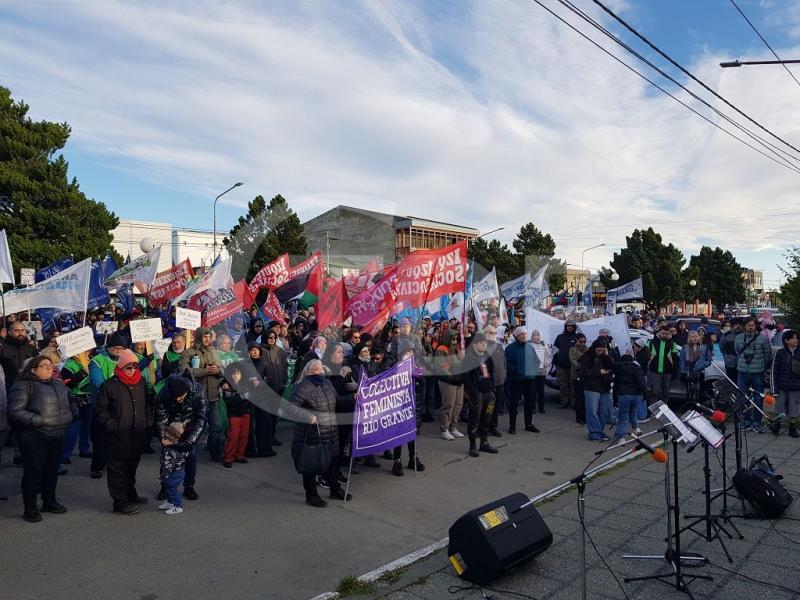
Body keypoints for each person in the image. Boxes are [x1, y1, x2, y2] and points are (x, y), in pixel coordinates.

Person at [8, 355, 77, 522]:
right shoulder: (23, 386)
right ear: (33, 369)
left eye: (50, 365)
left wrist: (72, 413)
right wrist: (38, 420)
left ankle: (49, 501)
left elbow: (71, 398)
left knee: (51, 471)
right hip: (34, 437)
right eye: (44, 365)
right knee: (33, 473)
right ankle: (30, 508)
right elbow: (15, 411)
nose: (49, 368)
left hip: (57, 435)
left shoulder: (58, 384)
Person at [284, 360, 351, 507]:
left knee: (332, 462)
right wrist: (307, 417)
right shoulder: (303, 387)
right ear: (308, 372)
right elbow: (289, 408)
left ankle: (335, 489)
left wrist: (353, 398)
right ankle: (311, 495)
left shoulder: (327, 384)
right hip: (311, 435)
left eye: (321, 369)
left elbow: (338, 401)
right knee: (311, 465)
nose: (319, 372)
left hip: (331, 431)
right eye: (315, 370)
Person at [94, 349, 152, 515]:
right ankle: (119, 502)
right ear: (121, 367)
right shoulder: (109, 385)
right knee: (117, 471)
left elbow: (147, 404)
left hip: (137, 434)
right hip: (117, 436)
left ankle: (130, 494)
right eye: (128, 367)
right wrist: (113, 426)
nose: (132, 370)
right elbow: (100, 410)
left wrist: (148, 421)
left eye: (135, 366)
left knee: (131, 468)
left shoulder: (140, 382)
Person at [156, 373, 208, 514]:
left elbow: (201, 419)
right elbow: (161, 418)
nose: (178, 399)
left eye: (181, 396)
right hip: (172, 429)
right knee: (167, 458)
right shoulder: (164, 393)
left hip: (190, 428)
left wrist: (191, 440)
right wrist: (163, 438)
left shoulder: (199, 391)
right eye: (175, 397)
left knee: (190, 457)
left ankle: (189, 486)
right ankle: (166, 487)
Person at [88, 333, 128, 479]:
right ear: (109, 347)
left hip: (120, 405)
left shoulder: (125, 360)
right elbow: (97, 381)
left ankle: (115, 464)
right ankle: (97, 466)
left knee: (118, 437)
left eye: (121, 348)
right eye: (115, 348)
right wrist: (117, 389)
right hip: (102, 405)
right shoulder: (97, 361)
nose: (118, 351)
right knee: (101, 438)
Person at [181, 327, 224, 460]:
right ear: (199, 336)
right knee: (194, 427)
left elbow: (222, 369)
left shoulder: (214, 352)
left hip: (213, 396)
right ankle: (188, 454)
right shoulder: (188, 353)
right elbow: (184, 371)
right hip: (197, 397)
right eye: (205, 336)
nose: (207, 339)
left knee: (216, 426)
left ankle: (215, 453)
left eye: (209, 337)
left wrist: (218, 371)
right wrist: (204, 371)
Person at [462, 333, 498, 457]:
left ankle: (484, 442)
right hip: (477, 394)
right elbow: (466, 378)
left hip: (489, 393)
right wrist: (474, 391)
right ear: (475, 344)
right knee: (474, 420)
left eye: (485, 343)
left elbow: (492, 373)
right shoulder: (469, 358)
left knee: (486, 418)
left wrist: (492, 388)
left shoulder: (487, 356)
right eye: (481, 343)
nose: (484, 345)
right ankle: (473, 446)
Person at [736, 316, 773, 433]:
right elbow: (737, 351)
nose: (750, 327)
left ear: (755, 325)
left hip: (757, 373)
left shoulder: (763, 339)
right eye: (748, 325)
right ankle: (746, 421)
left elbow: (768, 356)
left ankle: (757, 423)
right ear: (744, 327)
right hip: (742, 372)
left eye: (752, 325)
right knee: (743, 397)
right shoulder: (739, 338)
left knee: (758, 398)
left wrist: (761, 366)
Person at [504, 327, 539, 435]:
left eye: (525, 334)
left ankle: (528, 424)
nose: (524, 336)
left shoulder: (530, 347)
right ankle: (512, 426)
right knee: (514, 404)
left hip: (529, 380)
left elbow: (536, 361)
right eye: (521, 334)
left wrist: (533, 371)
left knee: (529, 403)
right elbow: (506, 363)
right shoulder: (510, 348)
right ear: (517, 336)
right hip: (516, 380)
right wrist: (515, 371)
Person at [579, 339, 614, 442]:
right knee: (592, 411)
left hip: (604, 386)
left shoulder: (605, 356)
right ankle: (594, 433)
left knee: (604, 412)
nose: (600, 352)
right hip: (591, 387)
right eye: (598, 350)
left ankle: (599, 431)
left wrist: (607, 356)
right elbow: (583, 372)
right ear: (594, 348)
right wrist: (598, 372)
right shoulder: (587, 356)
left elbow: (613, 366)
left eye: (602, 350)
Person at [434, 327, 465, 440]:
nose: (455, 340)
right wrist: (452, 378)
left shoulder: (457, 348)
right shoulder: (442, 349)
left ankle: (453, 427)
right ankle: (444, 429)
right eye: (453, 338)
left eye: (456, 338)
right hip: (447, 381)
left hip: (458, 380)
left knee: (458, 404)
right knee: (448, 405)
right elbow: (440, 367)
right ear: (448, 338)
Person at [770, 330, 800, 437]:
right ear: (786, 340)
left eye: (796, 338)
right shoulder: (780, 353)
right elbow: (774, 371)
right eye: (793, 338)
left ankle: (792, 428)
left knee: (794, 409)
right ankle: (777, 425)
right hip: (782, 386)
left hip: (796, 387)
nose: (795, 340)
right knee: (779, 409)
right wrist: (774, 389)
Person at [222, 362, 252, 467]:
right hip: (234, 415)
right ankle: (228, 457)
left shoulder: (246, 384)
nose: (236, 376)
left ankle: (239, 455)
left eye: (238, 374)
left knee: (244, 435)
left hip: (245, 413)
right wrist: (241, 397)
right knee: (233, 436)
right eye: (233, 374)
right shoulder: (226, 386)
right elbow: (230, 401)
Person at [261, 330, 288, 446]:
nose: (272, 339)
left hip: (278, 387)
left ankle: (272, 436)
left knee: (274, 415)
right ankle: (265, 438)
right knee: (265, 416)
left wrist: (284, 382)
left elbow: (284, 367)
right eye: (269, 337)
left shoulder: (280, 351)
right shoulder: (260, 351)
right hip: (266, 389)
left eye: (274, 337)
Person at [612, 354, 647, 440]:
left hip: (624, 394)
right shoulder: (636, 368)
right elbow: (642, 383)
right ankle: (636, 428)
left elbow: (615, 383)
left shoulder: (618, 369)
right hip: (636, 395)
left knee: (623, 417)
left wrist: (615, 397)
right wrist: (643, 392)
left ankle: (621, 438)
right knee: (633, 412)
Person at [0, 321, 39, 391]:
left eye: (22, 330)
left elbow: (37, 364)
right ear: (9, 332)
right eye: (16, 330)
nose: (20, 333)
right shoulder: (2, 347)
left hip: (28, 385)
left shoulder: (31, 348)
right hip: (8, 386)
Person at [646, 326, 679, 406]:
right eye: (663, 333)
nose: (665, 335)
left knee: (666, 393)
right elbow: (645, 356)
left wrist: (674, 371)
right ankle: (652, 412)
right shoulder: (651, 342)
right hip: (654, 371)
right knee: (654, 392)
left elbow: (675, 359)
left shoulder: (672, 344)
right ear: (659, 333)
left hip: (667, 373)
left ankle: (664, 412)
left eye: (667, 334)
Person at [485, 326, 506, 438]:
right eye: (491, 332)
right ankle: (485, 427)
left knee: (497, 406)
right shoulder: (483, 346)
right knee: (488, 407)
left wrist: (505, 375)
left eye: (494, 332)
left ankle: (493, 427)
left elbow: (504, 362)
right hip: (488, 383)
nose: (493, 334)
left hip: (500, 382)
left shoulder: (498, 346)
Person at [679, 331, 712, 403]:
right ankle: (690, 407)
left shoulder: (704, 347)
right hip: (688, 372)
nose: (695, 338)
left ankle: (698, 407)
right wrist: (683, 372)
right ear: (689, 338)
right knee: (689, 392)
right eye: (692, 337)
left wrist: (702, 365)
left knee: (699, 392)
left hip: (699, 372)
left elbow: (709, 360)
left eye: (696, 336)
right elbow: (682, 361)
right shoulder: (685, 347)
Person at [553, 321, 578, 409]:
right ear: (565, 327)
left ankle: (573, 402)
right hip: (561, 365)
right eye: (568, 326)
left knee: (573, 385)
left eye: (572, 325)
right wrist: (555, 361)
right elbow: (555, 351)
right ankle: (564, 401)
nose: (569, 327)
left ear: (574, 327)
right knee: (563, 384)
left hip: (573, 366)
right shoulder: (560, 337)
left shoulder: (578, 337)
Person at [529, 329, 551, 414]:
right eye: (535, 335)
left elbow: (549, 357)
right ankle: (533, 407)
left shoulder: (544, 346)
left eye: (538, 335)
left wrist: (547, 364)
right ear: (532, 336)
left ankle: (541, 407)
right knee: (533, 390)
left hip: (542, 371)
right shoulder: (529, 345)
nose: (536, 337)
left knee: (541, 390)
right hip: (533, 371)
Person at [569, 334, 589, 424]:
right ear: (577, 341)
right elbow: (573, 361)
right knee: (578, 397)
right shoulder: (573, 349)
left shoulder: (587, 349)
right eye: (581, 341)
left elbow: (589, 360)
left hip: (585, 376)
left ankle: (584, 416)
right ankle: (579, 417)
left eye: (584, 341)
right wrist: (581, 365)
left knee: (585, 397)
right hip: (576, 375)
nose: (583, 343)